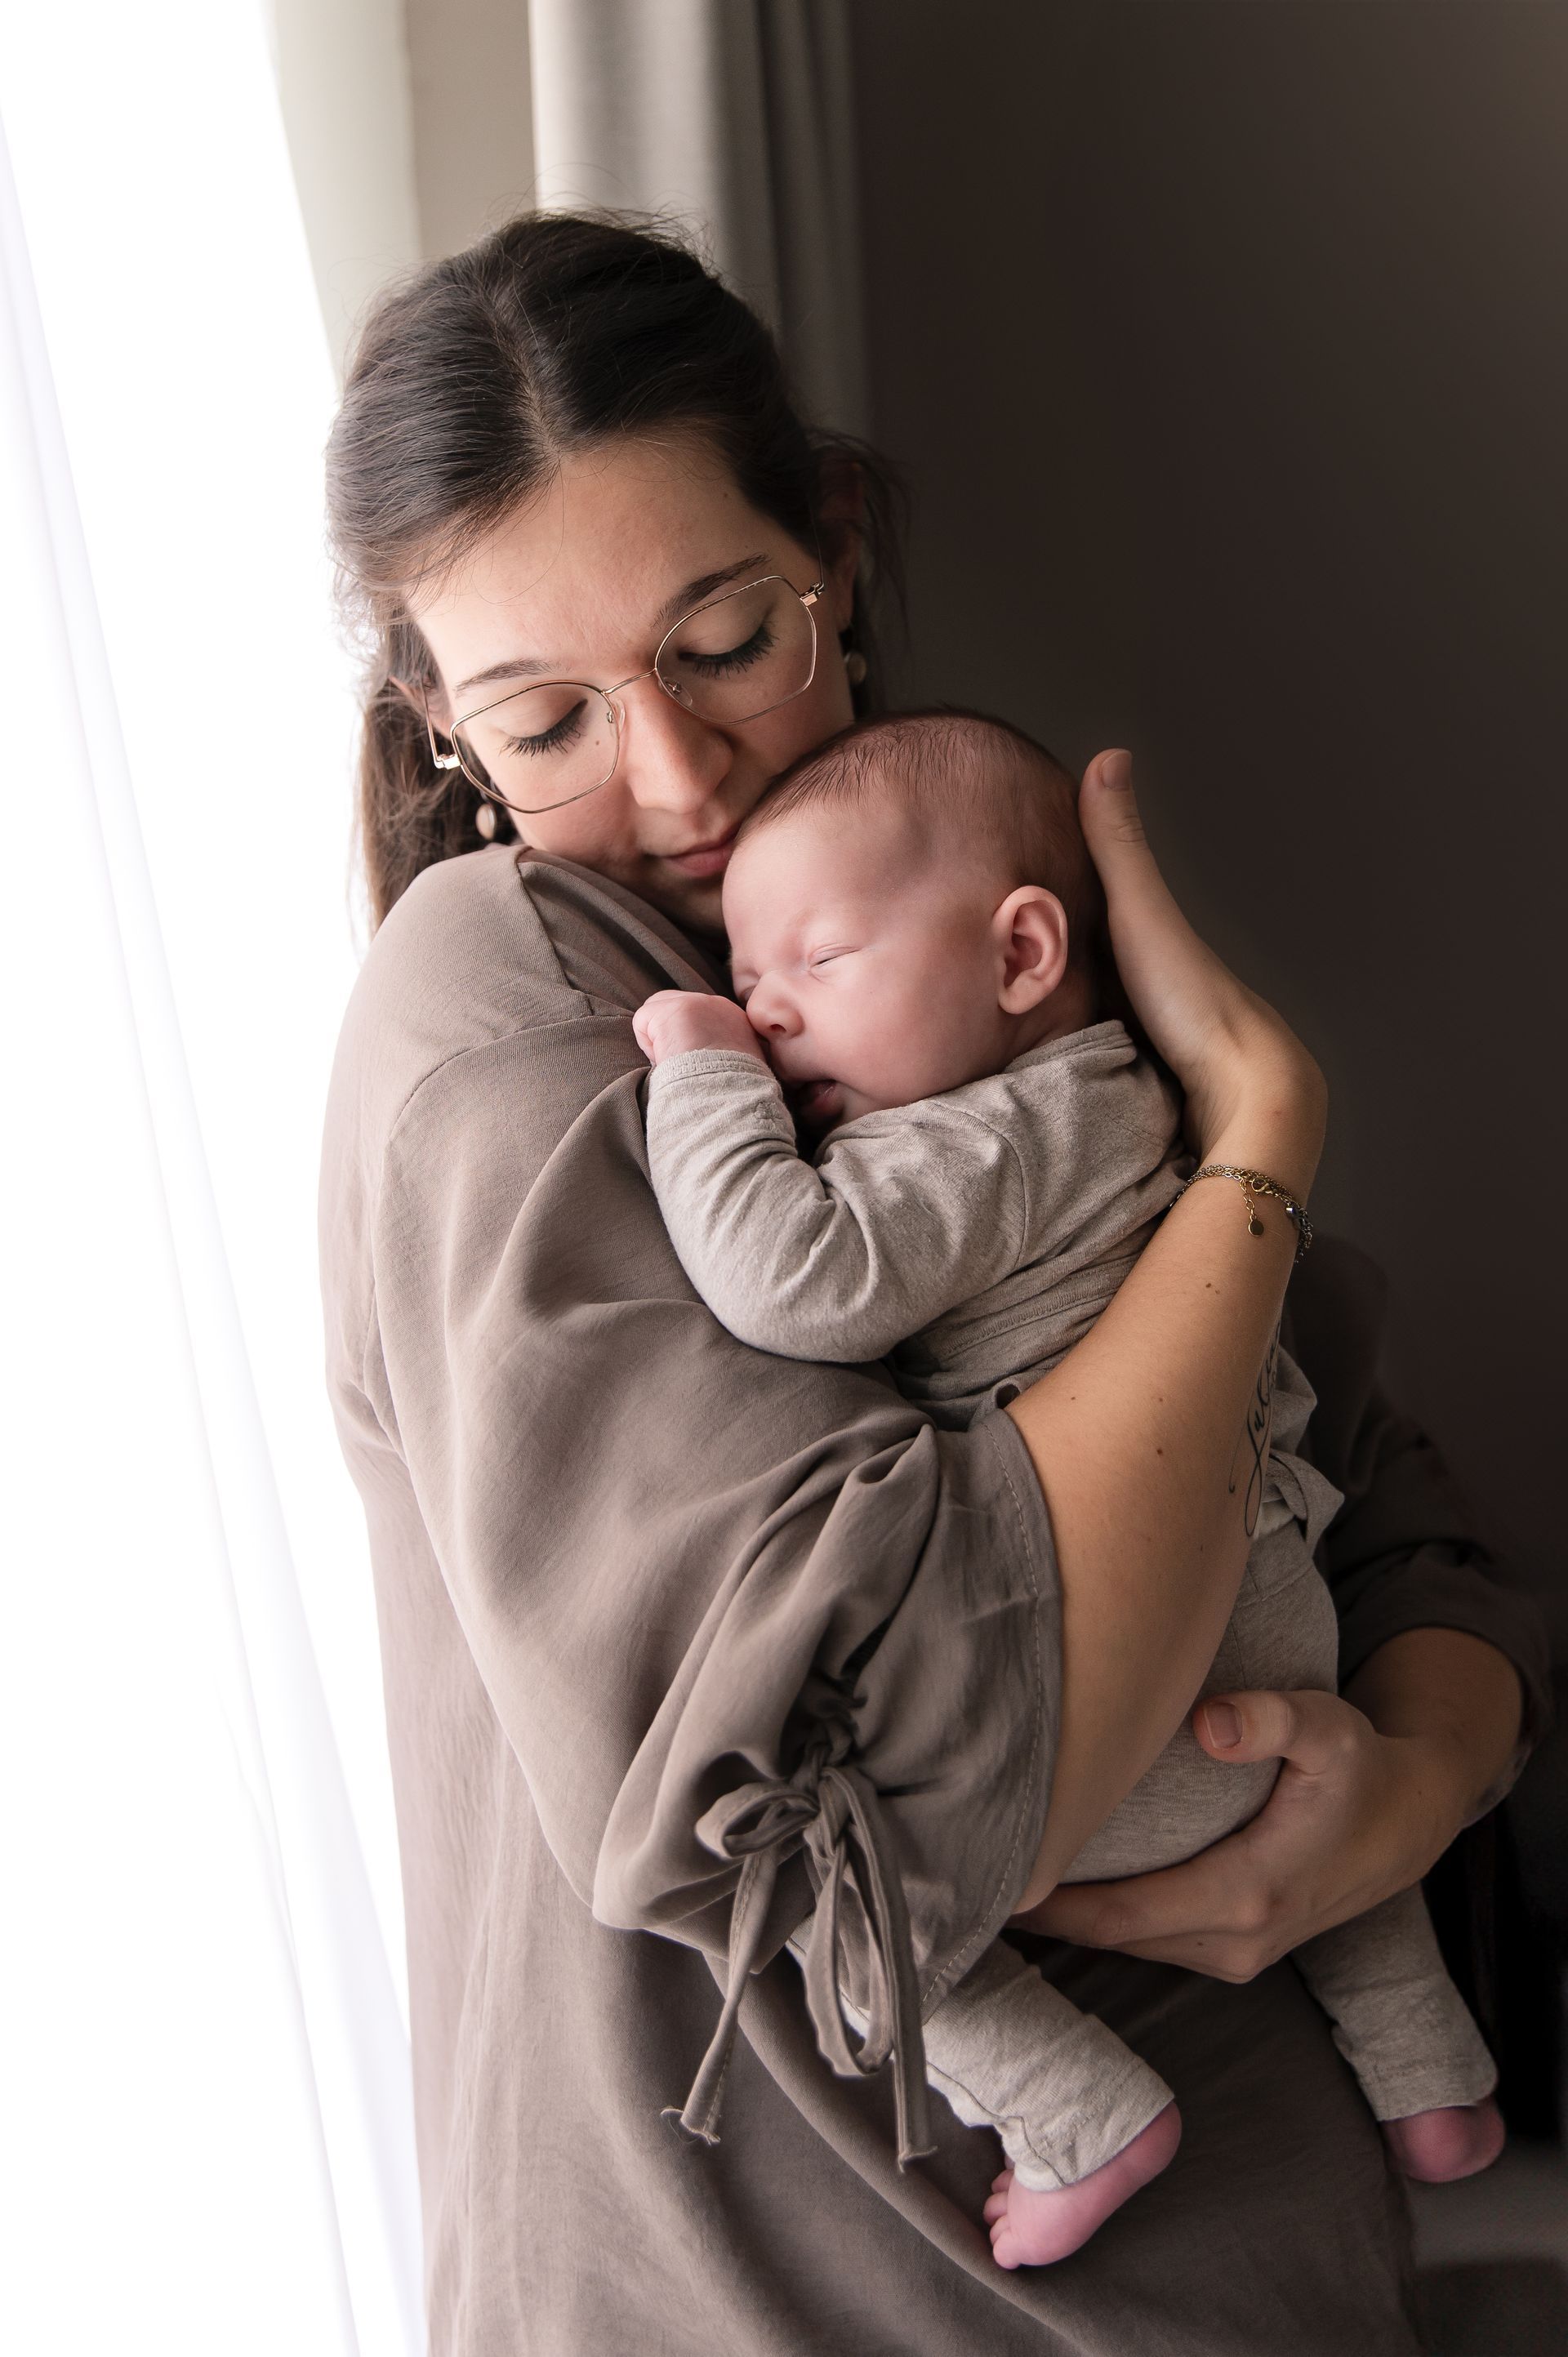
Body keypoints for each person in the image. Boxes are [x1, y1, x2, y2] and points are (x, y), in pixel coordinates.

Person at [318, 214, 1548, 2355]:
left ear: (840, 556)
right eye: (548, 718)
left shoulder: (947, 906)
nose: (682, 780)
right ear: (440, 730)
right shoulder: (517, 996)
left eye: (725, 636)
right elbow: (923, 1763)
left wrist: (1420, 1772)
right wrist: (1251, 1128)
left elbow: (1363, 1477)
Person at [632, 706, 1503, 2269]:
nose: (764, 1016)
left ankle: (1081, 2117)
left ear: (1023, 952)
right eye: (745, 987)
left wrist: (700, 1079)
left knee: (856, 1897)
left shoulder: (970, 1143)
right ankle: (1433, 2079)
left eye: (811, 967)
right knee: (1337, 1827)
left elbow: (795, 1279)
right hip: (1274, 1623)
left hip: (1122, 1689)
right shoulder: (1129, 1100)